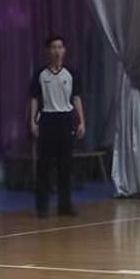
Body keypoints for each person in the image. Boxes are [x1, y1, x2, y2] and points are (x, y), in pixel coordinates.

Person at [28, 34, 85, 218]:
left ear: (64, 50)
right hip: (47, 119)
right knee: (44, 166)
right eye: (53, 47)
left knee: (65, 166)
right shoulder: (41, 74)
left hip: (65, 120)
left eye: (60, 47)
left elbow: (76, 97)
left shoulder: (71, 73)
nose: (57, 51)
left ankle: (65, 205)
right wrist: (32, 121)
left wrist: (81, 121)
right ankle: (42, 207)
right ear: (48, 51)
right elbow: (34, 98)